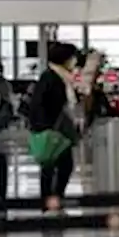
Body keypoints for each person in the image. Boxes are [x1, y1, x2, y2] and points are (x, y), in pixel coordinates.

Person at [28, 42, 80, 200]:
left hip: (58, 128)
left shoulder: (60, 77)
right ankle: (52, 198)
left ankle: (53, 198)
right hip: (52, 129)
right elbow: (39, 104)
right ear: (64, 59)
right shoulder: (51, 77)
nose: (75, 61)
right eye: (73, 58)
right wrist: (45, 127)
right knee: (56, 165)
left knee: (55, 166)